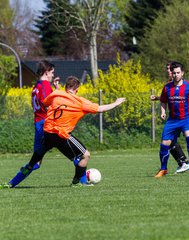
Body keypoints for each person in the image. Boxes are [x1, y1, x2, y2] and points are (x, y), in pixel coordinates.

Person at [1, 76, 125, 188]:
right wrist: (116, 103)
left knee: (33, 163)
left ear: (66, 87)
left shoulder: (56, 95)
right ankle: (78, 182)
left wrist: (57, 90)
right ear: (76, 89)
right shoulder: (80, 102)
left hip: (47, 134)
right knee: (85, 155)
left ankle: (11, 183)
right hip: (60, 135)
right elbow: (100, 109)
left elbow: (46, 104)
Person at [5, 60, 60, 188]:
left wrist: (56, 89)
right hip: (46, 124)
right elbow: (49, 104)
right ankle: (82, 179)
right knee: (72, 148)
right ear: (46, 72)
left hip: (38, 123)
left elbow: (38, 104)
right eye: (52, 72)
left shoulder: (36, 87)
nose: (53, 75)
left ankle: (12, 183)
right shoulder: (45, 85)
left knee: (36, 162)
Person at [155, 61, 189, 178]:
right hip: (172, 121)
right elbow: (163, 100)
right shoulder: (167, 87)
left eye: (178, 72)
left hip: (186, 119)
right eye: (174, 73)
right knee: (164, 144)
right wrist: (163, 111)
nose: (176, 75)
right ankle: (163, 169)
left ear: (183, 73)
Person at [150, 62, 189, 174]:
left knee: (169, 140)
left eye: (169, 69)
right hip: (174, 119)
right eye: (167, 69)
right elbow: (169, 98)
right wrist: (158, 98)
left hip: (182, 118)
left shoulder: (181, 84)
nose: (168, 71)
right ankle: (182, 162)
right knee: (169, 140)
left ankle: (183, 163)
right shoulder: (169, 85)